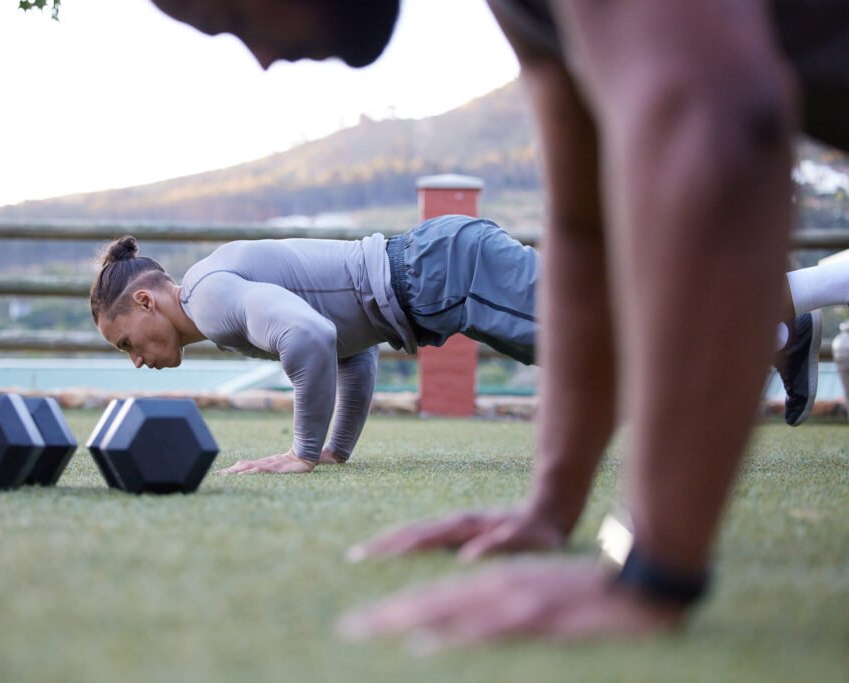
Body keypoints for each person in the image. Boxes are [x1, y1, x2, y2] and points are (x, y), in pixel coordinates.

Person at [143, 0, 849, 642]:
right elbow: (582, 226)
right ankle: (776, 323)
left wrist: (653, 573)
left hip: (435, 269)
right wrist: (550, 507)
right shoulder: (527, 13)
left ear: (144, 301)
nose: (261, 59)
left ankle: (778, 319)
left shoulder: (208, 290)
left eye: (229, 13)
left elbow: (716, 121)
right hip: (430, 273)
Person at [90, 214, 540, 473]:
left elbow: (311, 336)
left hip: (444, 268)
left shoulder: (206, 296)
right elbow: (351, 349)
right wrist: (334, 450)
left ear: (146, 301)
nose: (134, 360)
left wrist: (301, 454)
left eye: (126, 341)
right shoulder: (214, 296)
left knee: (590, 337)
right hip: (439, 268)